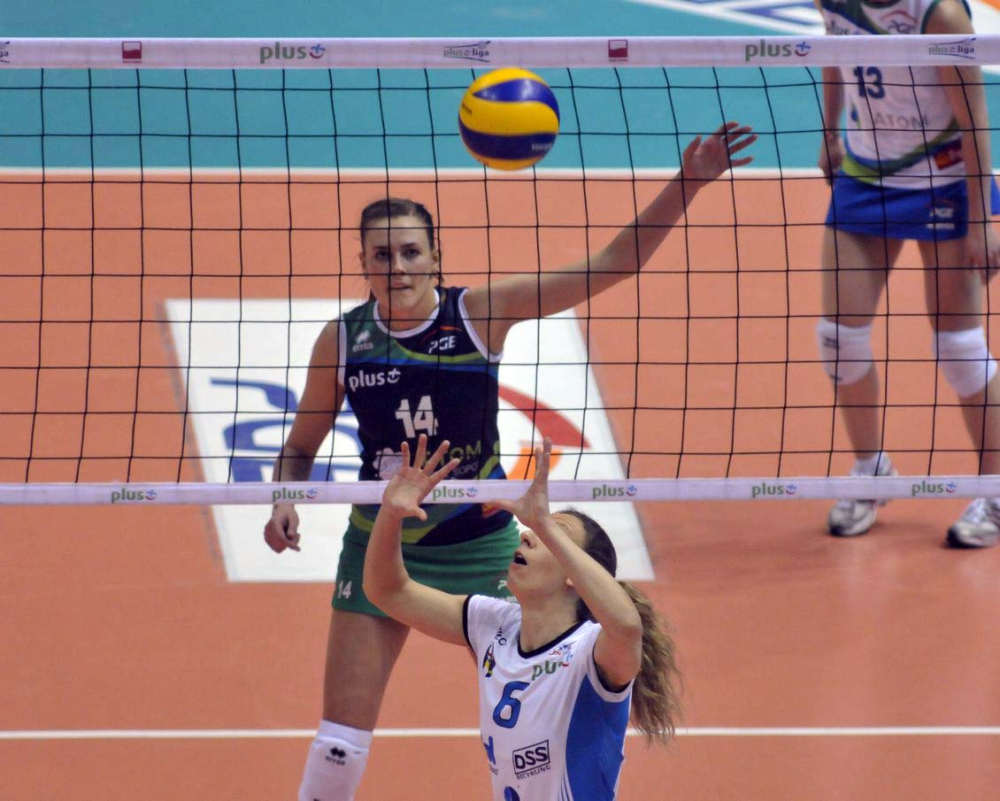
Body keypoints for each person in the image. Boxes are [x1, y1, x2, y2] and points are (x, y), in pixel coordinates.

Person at [263, 123, 755, 800]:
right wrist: (283, 498)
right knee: (340, 738)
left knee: (566, 697)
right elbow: (299, 446)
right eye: (382, 255)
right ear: (363, 263)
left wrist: (688, 183)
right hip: (383, 539)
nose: (397, 267)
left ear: (436, 257)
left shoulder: (479, 315)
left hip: (485, 544)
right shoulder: (344, 340)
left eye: (410, 252)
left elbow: (614, 263)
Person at [364, 434, 681, 800]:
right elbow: (387, 591)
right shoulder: (493, 624)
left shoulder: (592, 653)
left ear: (574, 575)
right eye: (536, 528)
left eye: (553, 533)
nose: (528, 533)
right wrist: (390, 514)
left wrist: (545, 524)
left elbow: (626, 627)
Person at [815, 0, 1000, 547]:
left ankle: (996, 490)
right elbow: (833, 51)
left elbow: (973, 116)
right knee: (838, 338)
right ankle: (872, 473)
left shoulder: (941, 16)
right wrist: (828, 130)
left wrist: (981, 220)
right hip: (865, 175)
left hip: (944, 182)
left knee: (959, 347)